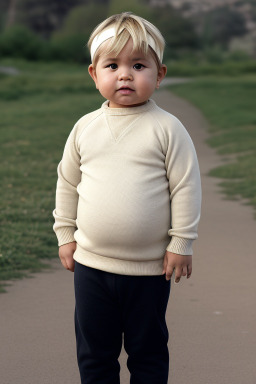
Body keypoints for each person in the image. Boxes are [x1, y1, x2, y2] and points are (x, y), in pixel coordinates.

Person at [53, 11, 201, 384]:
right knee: (94, 352)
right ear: (94, 74)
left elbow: (185, 185)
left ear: (159, 74)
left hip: (150, 270)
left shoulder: (167, 128)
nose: (124, 75)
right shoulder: (85, 128)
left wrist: (180, 242)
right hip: (91, 266)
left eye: (138, 65)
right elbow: (68, 183)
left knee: (147, 351)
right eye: (112, 65)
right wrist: (65, 234)